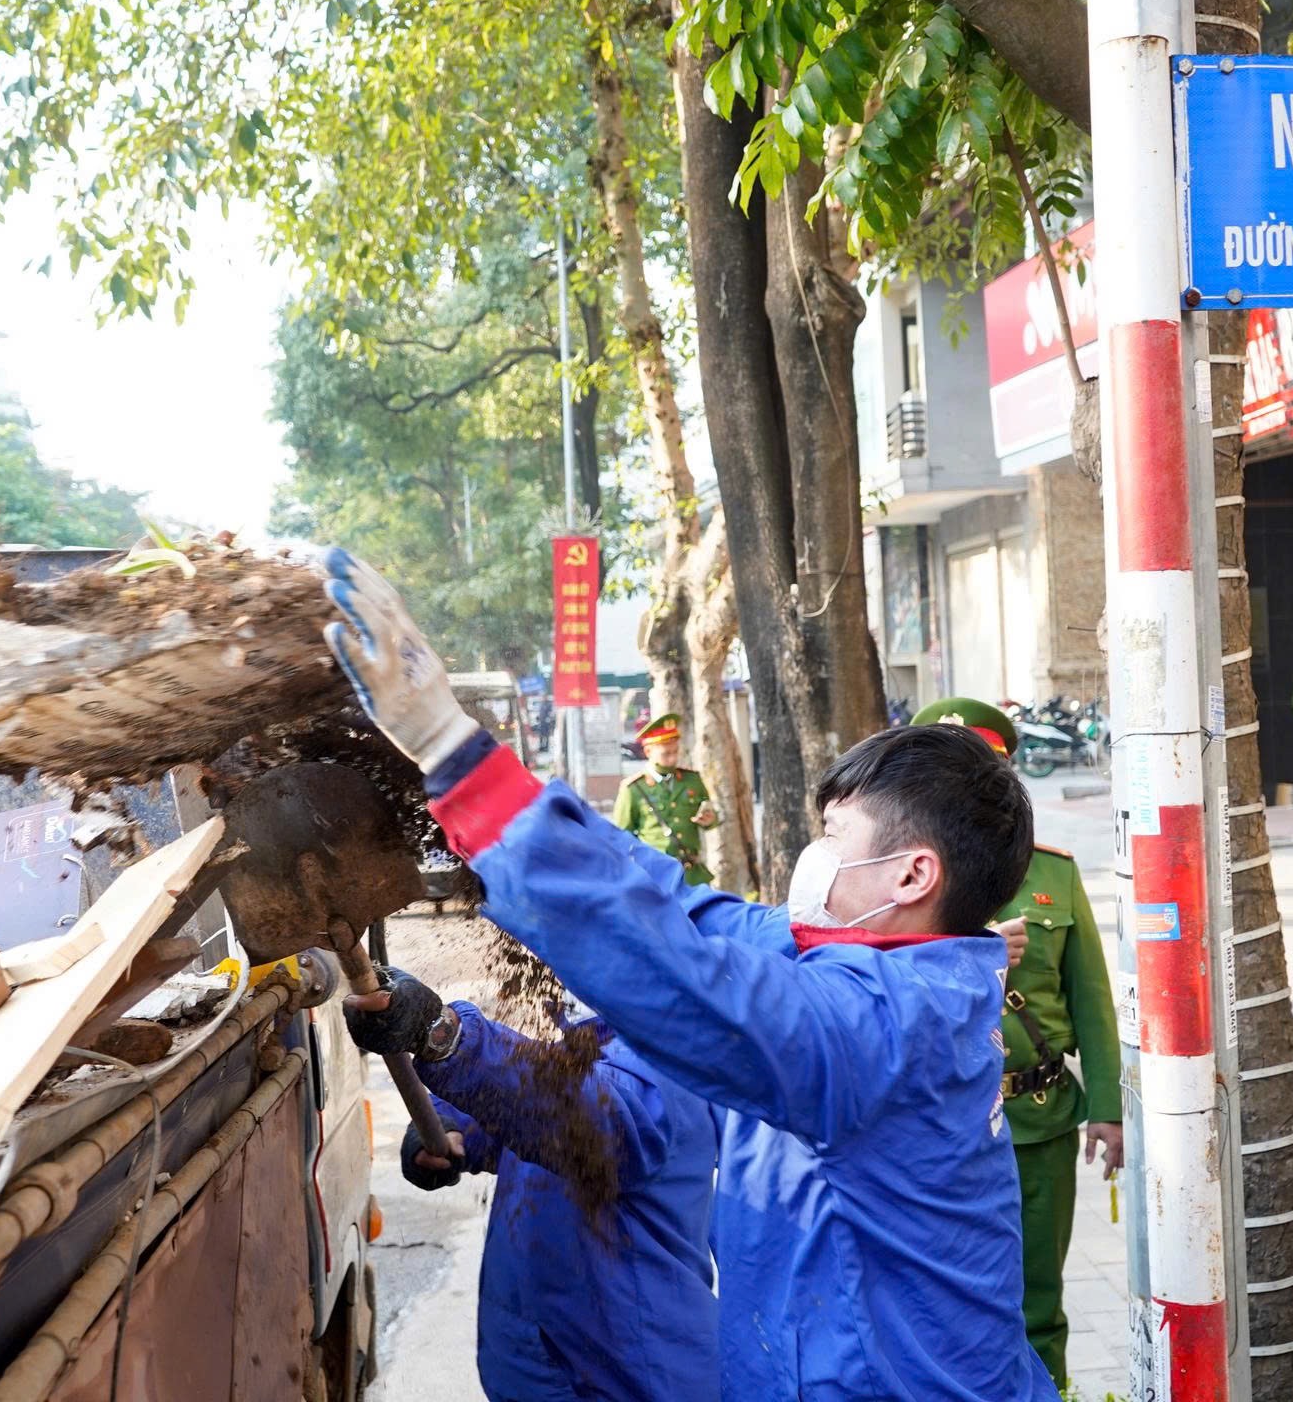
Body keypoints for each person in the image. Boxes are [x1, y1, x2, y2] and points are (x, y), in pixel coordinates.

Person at [317, 550, 1060, 1402]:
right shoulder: (843, 958)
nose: (813, 855)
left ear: (912, 874)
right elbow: (678, 910)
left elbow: (673, 976)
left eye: (834, 835)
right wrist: (469, 803)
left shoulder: (885, 1026)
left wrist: (455, 754)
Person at [343, 968, 718, 1402]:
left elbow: (579, 1116)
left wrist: (443, 1036)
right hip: (539, 1368)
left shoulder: (665, 1066)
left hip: (629, 1376)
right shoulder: (586, 1046)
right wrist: (448, 1124)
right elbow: (523, 1115)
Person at [911, 697, 1123, 1391]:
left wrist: (1108, 1108)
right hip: (939, 1122)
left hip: (1038, 1119)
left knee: (1038, 1304)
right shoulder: (903, 880)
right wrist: (972, 955)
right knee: (942, 1305)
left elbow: (1090, 997)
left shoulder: (1053, 874)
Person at [612, 713, 720, 887]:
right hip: (655, 874)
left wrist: (710, 819)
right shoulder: (633, 788)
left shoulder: (692, 780)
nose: (673, 758)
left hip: (690, 873)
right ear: (648, 752)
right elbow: (621, 836)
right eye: (666, 753)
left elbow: (711, 816)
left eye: (675, 752)